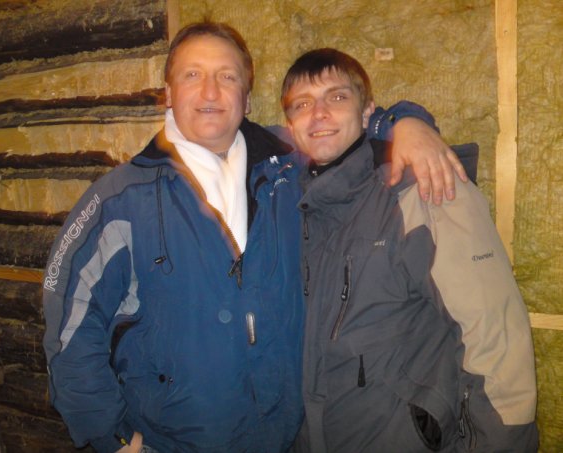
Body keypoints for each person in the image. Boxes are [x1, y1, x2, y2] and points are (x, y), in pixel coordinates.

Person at [42, 22, 465, 453]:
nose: (210, 92)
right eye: (192, 75)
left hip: (284, 438)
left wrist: (404, 122)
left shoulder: (290, 168)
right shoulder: (119, 200)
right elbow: (69, 329)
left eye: (227, 76)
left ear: (246, 98)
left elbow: (343, 125)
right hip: (170, 442)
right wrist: (112, 437)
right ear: (168, 93)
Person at [281, 48, 538, 453]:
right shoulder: (291, 204)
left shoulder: (424, 189)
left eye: (337, 97)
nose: (319, 114)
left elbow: (495, 338)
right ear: (289, 125)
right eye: (302, 104)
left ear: (367, 113)